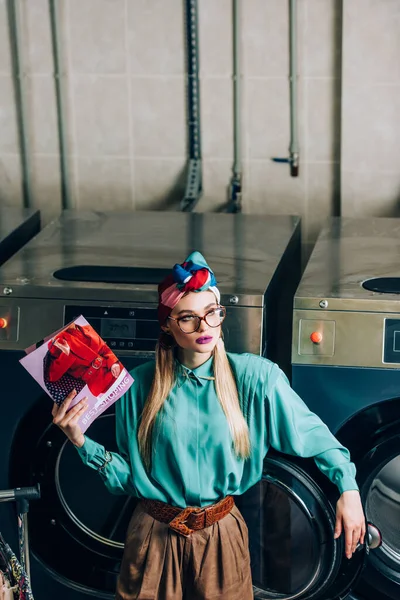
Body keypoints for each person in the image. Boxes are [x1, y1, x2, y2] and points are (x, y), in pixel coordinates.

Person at [51, 251, 365, 600]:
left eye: (212, 314)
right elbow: (130, 478)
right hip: (152, 537)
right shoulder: (138, 386)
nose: (204, 328)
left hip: (221, 536)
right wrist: (79, 440)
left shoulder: (256, 379)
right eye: (188, 318)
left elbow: (316, 439)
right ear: (167, 324)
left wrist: (348, 489)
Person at [46, 321, 122, 397]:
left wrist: (113, 362)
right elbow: (52, 376)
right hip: (98, 385)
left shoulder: (88, 327)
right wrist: (66, 354)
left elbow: (105, 348)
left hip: (117, 369)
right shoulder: (57, 342)